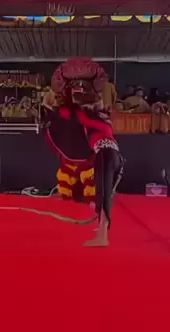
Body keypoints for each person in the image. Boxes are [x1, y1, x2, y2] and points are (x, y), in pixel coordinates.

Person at [46, 57, 124, 247]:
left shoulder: (87, 115)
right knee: (103, 194)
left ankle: (102, 237)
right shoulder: (100, 115)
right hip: (109, 153)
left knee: (103, 195)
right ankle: (101, 230)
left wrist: (50, 106)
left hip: (105, 153)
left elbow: (65, 113)